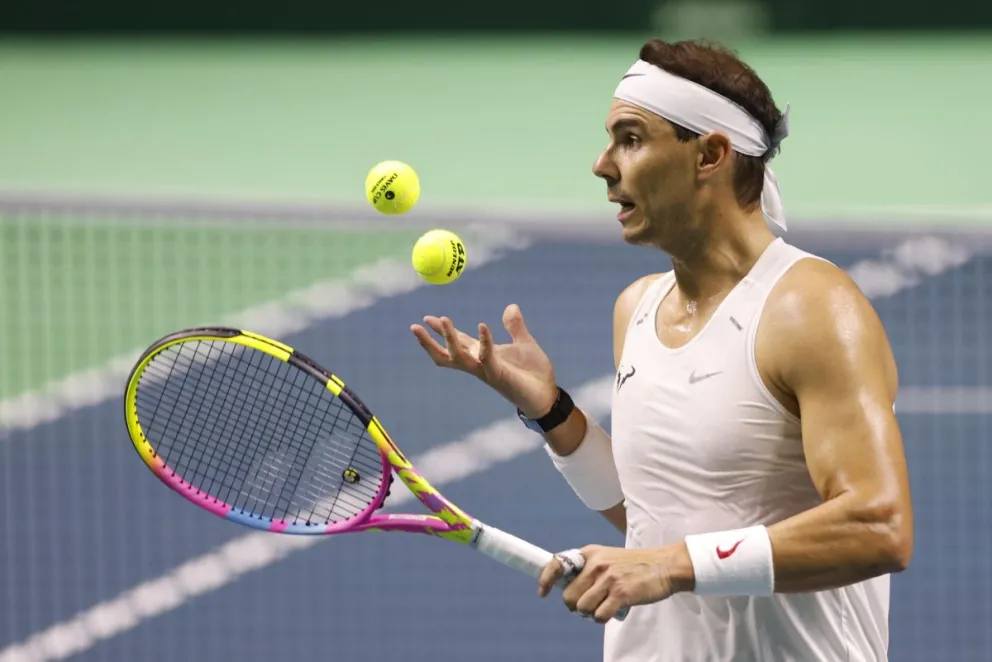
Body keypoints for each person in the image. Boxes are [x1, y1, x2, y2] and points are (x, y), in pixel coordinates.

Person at [410, 38, 913, 662]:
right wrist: (552, 412)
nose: (602, 164)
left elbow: (878, 527)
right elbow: (655, 521)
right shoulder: (638, 308)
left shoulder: (811, 308)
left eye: (631, 138)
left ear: (711, 154)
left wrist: (672, 566)